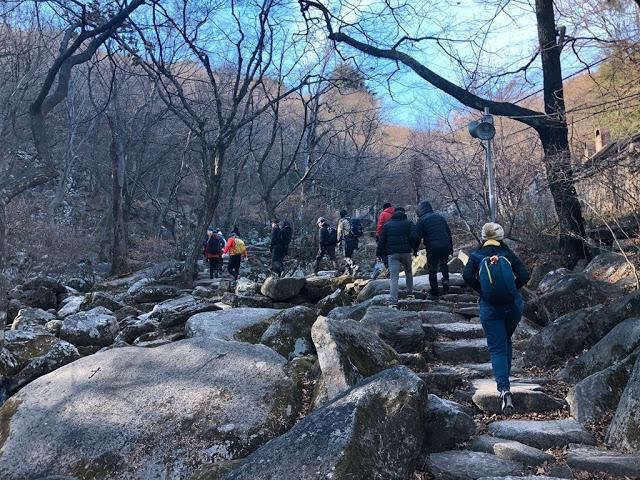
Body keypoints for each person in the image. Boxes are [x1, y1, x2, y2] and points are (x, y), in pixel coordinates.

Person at [463, 222, 530, 414]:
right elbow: (524, 275)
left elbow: (467, 276)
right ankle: (505, 378)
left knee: (497, 347)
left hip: (490, 307)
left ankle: (504, 388)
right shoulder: (508, 254)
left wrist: (484, 291)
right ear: (500, 237)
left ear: (484, 237)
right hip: (513, 306)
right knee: (506, 340)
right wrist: (511, 291)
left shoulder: (476, 256)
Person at [415, 200, 454, 299]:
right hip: (445, 245)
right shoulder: (440, 217)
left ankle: (435, 292)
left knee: (432, 269)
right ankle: (446, 283)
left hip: (433, 247)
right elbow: (448, 233)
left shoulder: (422, 220)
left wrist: (415, 250)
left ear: (420, 210)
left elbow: (416, 237)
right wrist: (451, 248)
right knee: (444, 264)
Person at [376, 206, 415, 306]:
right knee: (409, 272)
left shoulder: (387, 225)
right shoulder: (409, 223)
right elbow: (414, 237)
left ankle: (393, 301)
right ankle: (410, 294)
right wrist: (413, 249)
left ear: (394, 214)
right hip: (406, 252)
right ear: (404, 213)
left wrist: (379, 253)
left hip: (392, 254)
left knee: (394, 277)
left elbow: (381, 241)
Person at [337, 209, 360, 276]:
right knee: (350, 256)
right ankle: (348, 272)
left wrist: (338, 242)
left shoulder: (342, 221)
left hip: (347, 241)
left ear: (341, 215)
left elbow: (339, 233)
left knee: (346, 257)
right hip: (355, 240)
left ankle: (354, 266)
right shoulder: (352, 219)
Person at [375, 202, 394, 272]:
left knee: (383, 252)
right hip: (393, 237)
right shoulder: (394, 213)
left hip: (384, 236)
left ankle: (387, 268)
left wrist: (377, 235)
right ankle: (392, 268)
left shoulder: (383, 214)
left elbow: (380, 226)